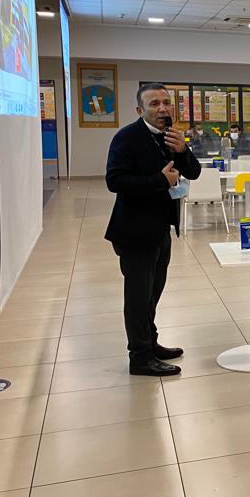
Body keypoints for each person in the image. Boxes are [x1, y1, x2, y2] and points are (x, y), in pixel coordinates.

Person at [105, 83, 201, 377]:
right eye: (154, 104)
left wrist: (183, 150)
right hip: (134, 231)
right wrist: (160, 181)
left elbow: (193, 172)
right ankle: (140, 357)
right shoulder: (127, 138)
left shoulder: (172, 137)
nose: (162, 109)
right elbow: (115, 181)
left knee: (152, 293)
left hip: (160, 229)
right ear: (140, 110)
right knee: (137, 297)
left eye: (166, 102)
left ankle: (151, 343)